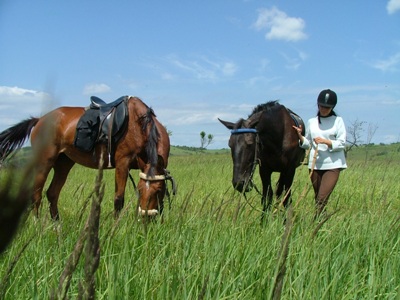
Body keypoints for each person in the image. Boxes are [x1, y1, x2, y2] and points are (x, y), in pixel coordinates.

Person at [293, 89, 347, 218]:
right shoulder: (312, 121)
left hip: (333, 165)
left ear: (332, 107)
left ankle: (315, 223)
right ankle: (320, 221)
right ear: (318, 105)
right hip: (315, 164)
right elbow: (308, 144)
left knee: (322, 198)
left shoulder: (338, 121)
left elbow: (342, 143)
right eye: (322, 106)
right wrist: (300, 136)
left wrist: (326, 142)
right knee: (318, 197)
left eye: (327, 107)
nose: (324, 109)